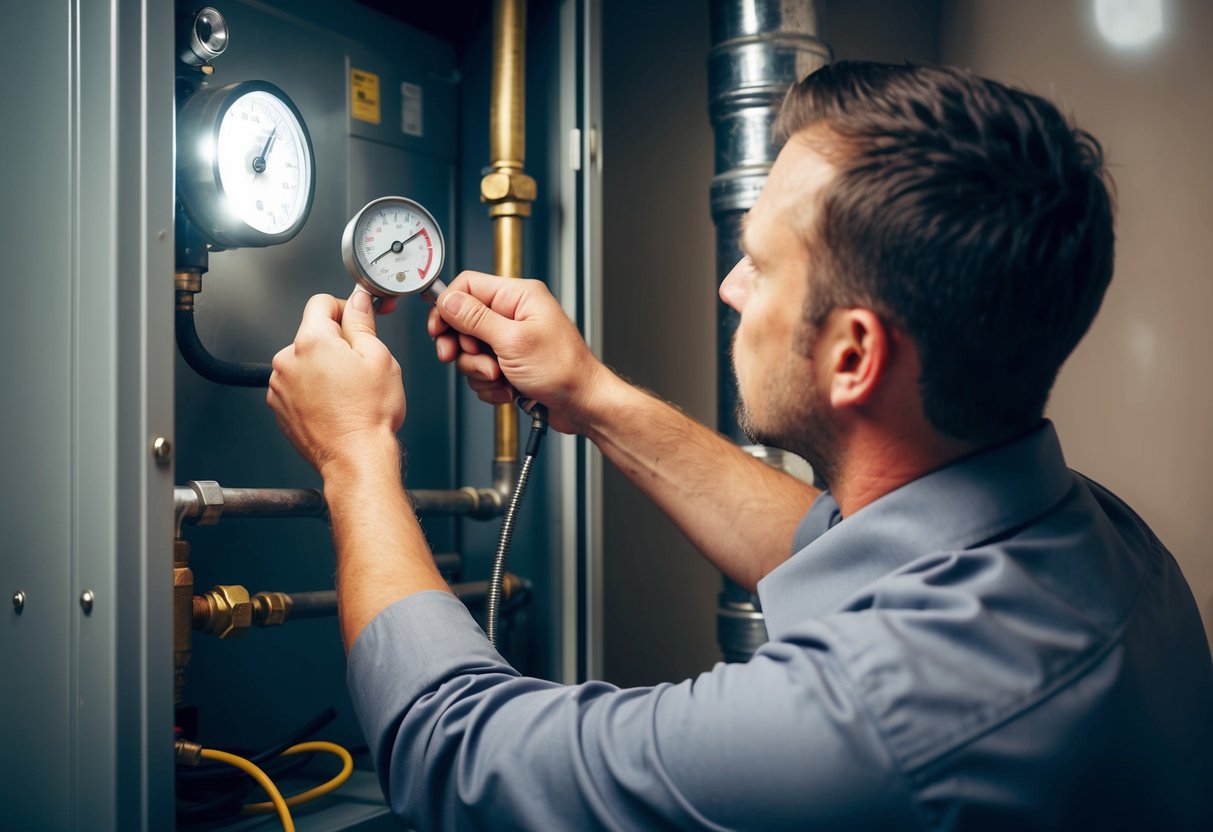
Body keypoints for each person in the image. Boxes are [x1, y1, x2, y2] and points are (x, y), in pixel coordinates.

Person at [267, 62, 1213, 830]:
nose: (729, 287)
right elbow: (832, 541)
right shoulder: (1109, 543)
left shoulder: (878, 723)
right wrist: (590, 396)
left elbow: (457, 754)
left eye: (757, 266)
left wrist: (355, 455)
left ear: (852, 354)